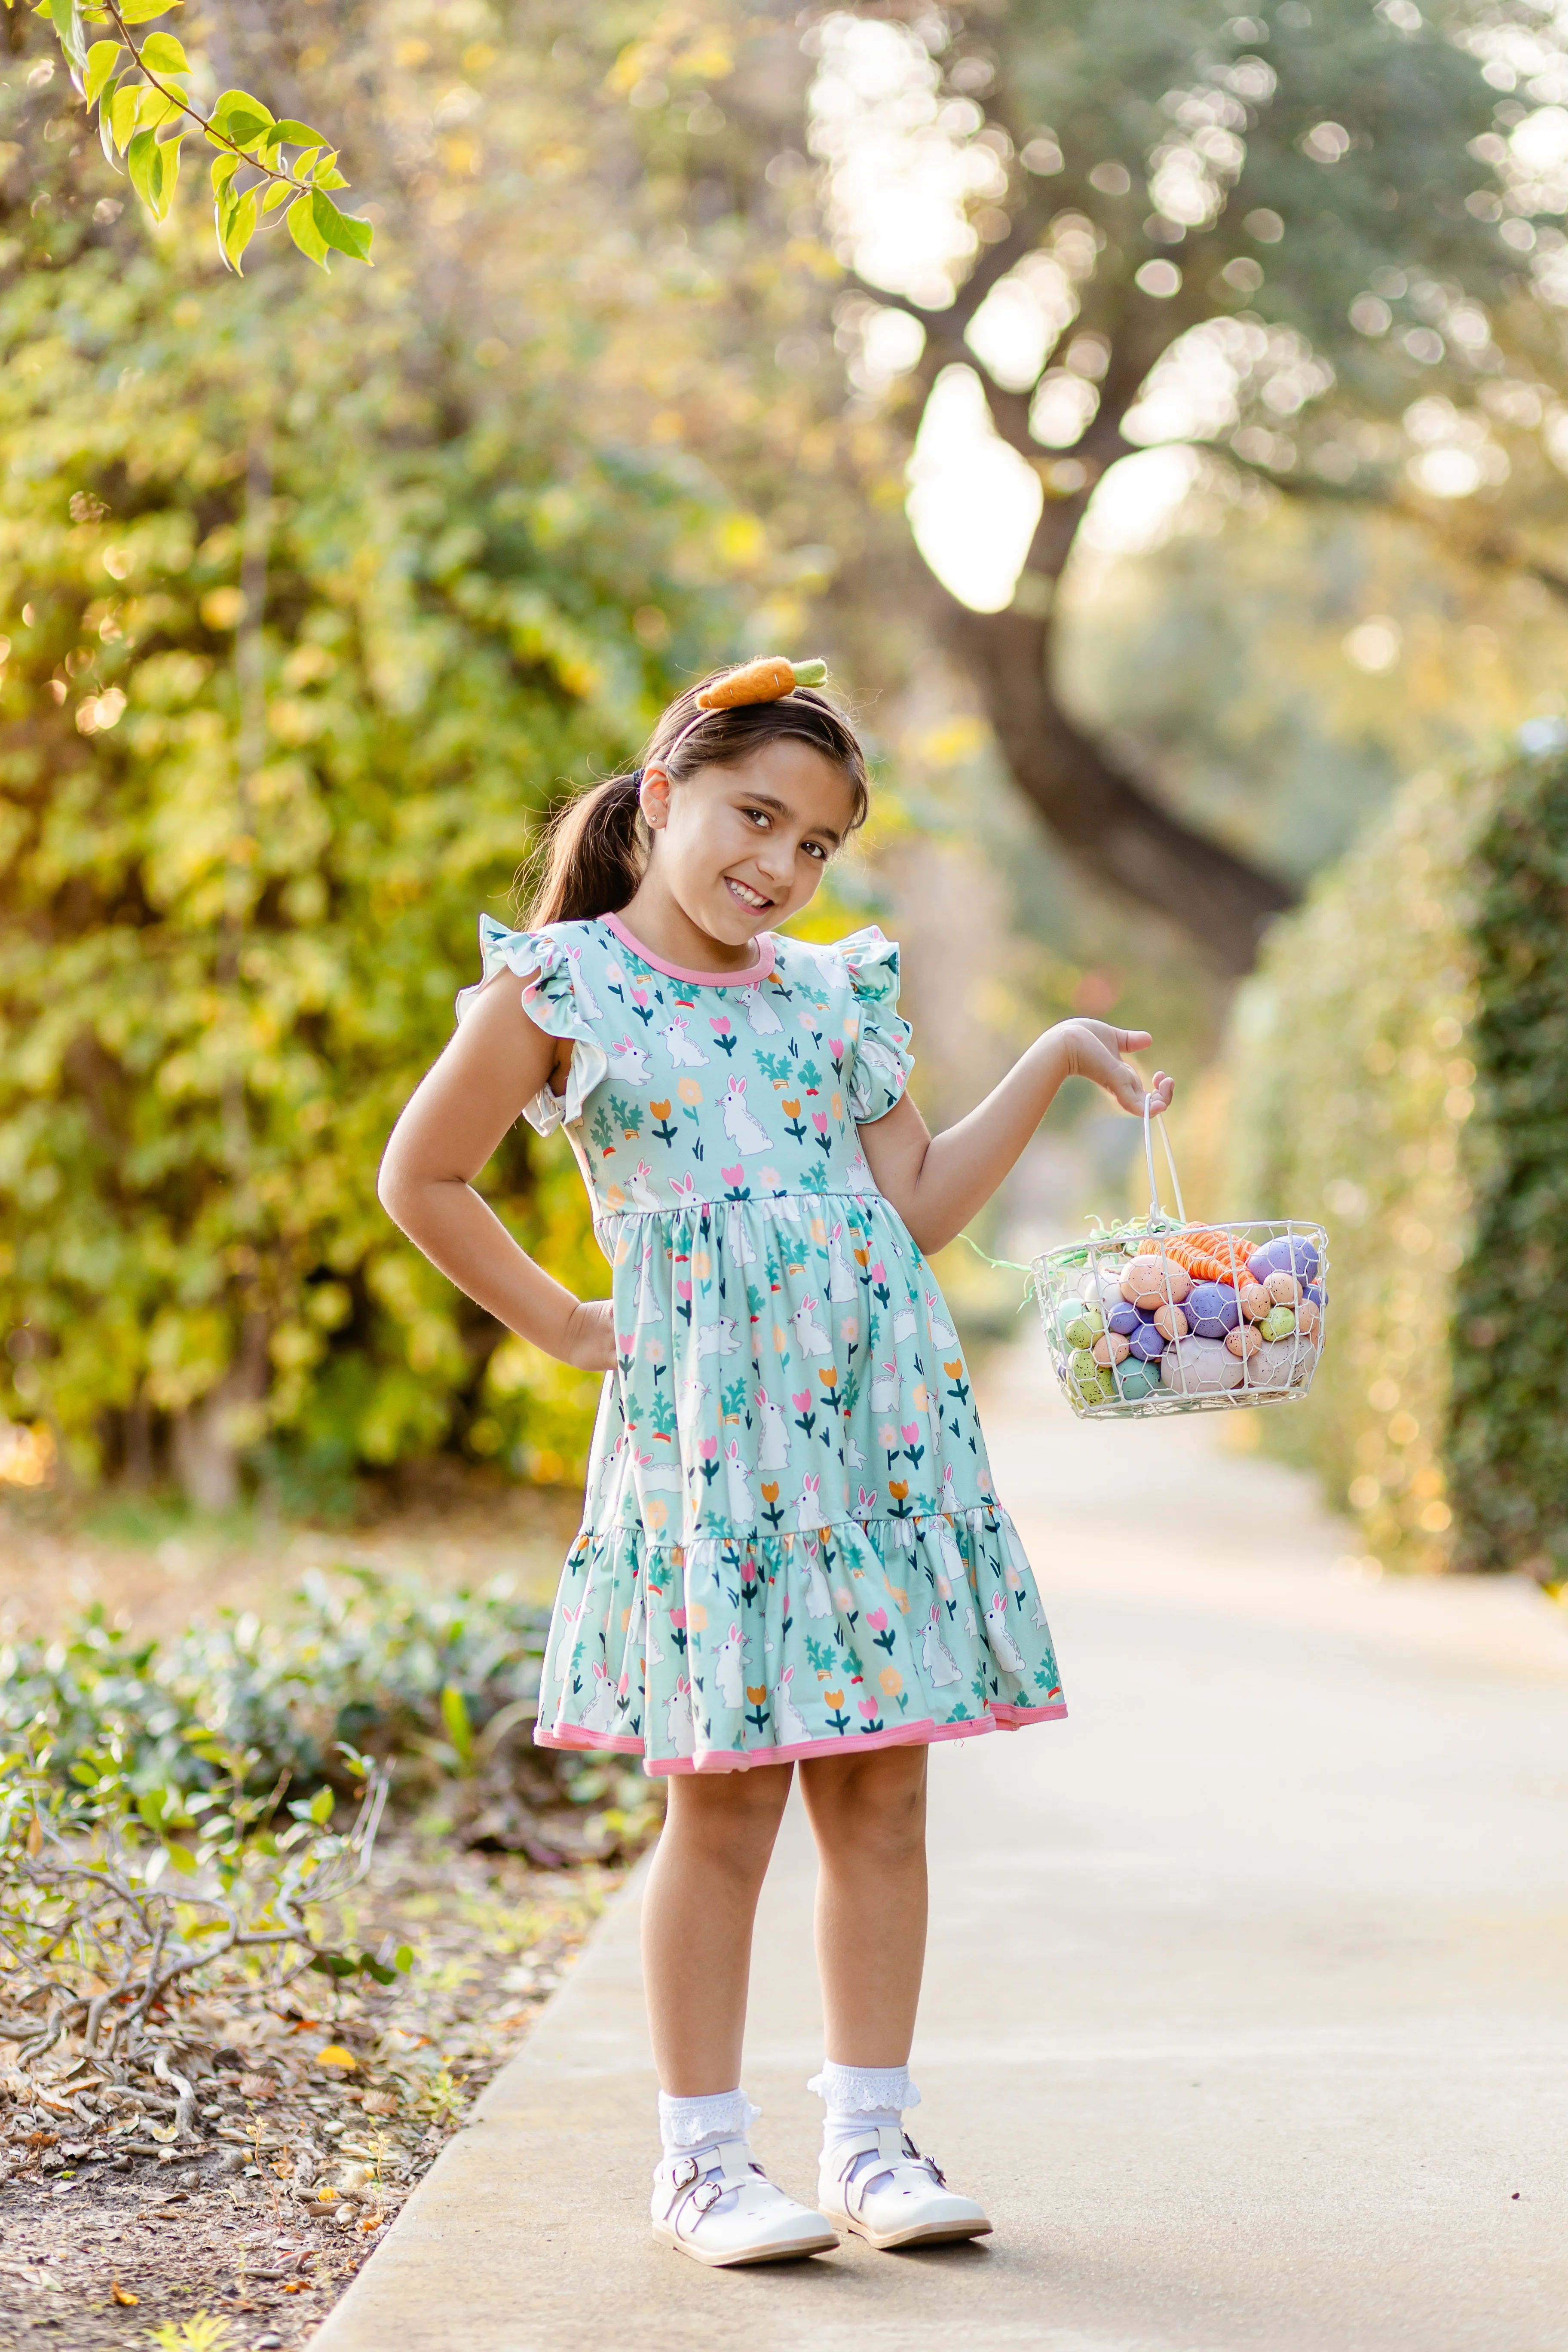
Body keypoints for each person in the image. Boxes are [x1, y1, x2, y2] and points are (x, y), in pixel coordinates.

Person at [378, 661, 1173, 2268]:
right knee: (723, 1808)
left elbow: (921, 1206)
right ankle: (700, 2164)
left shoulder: (834, 996)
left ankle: (872, 2140)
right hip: (713, 1461)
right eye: (757, 817)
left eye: (816, 845)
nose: (782, 865)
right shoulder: (562, 989)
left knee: (883, 1797)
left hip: (876, 1443)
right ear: (664, 799)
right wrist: (565, 1324)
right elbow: (425, 1173)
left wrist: (1056, 1054)